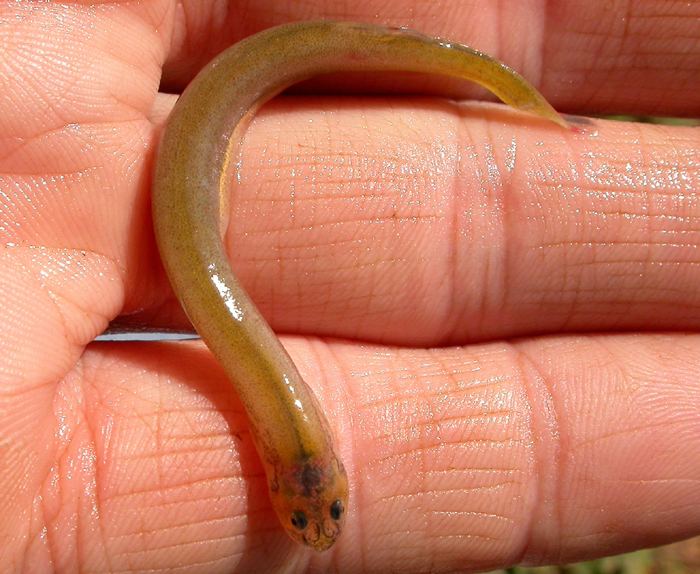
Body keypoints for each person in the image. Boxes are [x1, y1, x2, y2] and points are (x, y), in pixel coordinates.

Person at [1, 1, 698, 571]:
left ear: (285, 475)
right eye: (328, 506)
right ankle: (496, 83)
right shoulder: (288, 441)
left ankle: (495, 82)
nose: (317, 518)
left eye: (313, 508)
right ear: (320, 461)